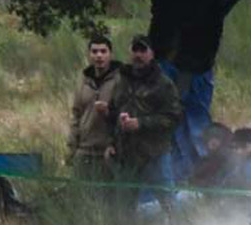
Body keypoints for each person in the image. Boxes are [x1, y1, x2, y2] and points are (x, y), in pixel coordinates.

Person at [105, 35, 182, 213]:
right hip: (126, 155)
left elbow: (174, 118)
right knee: (123, 208)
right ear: (129, 52)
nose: (138, 55)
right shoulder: (121, 79)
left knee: (169, 204)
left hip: (155, 154)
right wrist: (110, 142)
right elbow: (112, 112)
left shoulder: (163, 83)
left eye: (143, 50)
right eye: (135, 50)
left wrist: (141, 123)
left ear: (151, 54)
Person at [67, 34, 119, 184]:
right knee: (80, 196)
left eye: (103, 51)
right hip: (84, 150)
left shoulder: (121, 81)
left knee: (107, 200)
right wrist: (72, 147)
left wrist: (115, 144)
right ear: (89, 55)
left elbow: (126, 115)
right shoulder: (83, 81)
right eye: (95, 52)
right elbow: (76, 115)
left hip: (108, 151)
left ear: (110, 54)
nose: (99, 56)